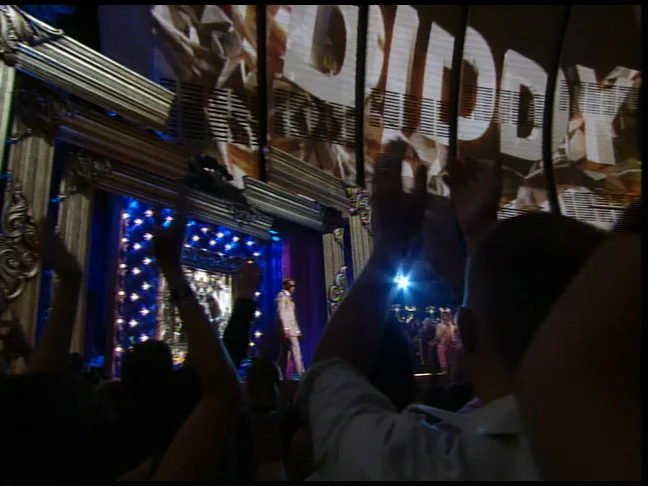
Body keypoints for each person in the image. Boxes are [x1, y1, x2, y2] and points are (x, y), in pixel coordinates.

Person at [296, 142, 605, 480]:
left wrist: (390, 245)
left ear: (465, 330)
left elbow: (329, 373)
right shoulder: (610, 439)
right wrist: (478, 239)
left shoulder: (430, 464)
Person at [276, 278, 304, 378]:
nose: (293, 288)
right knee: (296, 351)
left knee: (284, 354)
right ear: (286, 286)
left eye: (294, 286)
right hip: (288, 330)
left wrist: (297, 329)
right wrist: (286, 328)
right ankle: (301, 374)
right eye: (291, 286)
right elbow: (282, 312)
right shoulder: (282, 296)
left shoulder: (289, 298)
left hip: (292, 329)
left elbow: (292, 315)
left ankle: (280, 375)